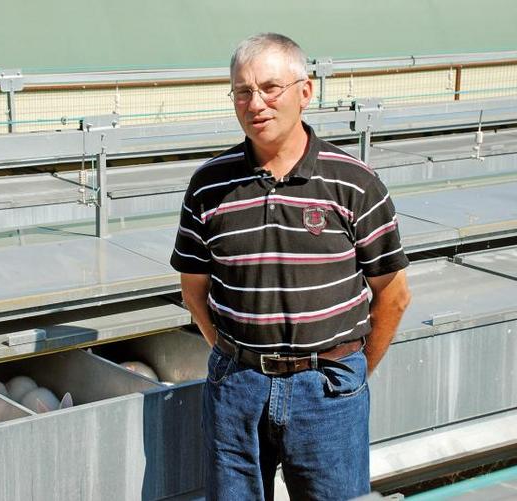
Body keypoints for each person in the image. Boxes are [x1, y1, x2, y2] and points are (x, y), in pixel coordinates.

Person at [170, 33, 411, 501]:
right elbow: (193, 289)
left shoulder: (354, 184)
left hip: (327, 391)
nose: (255, 103)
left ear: (306, 91)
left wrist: (349, 371)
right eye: (243, 91)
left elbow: (394, 294)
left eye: (269, 88)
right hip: (237, 390)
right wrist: (229, 352)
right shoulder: (209, 186)